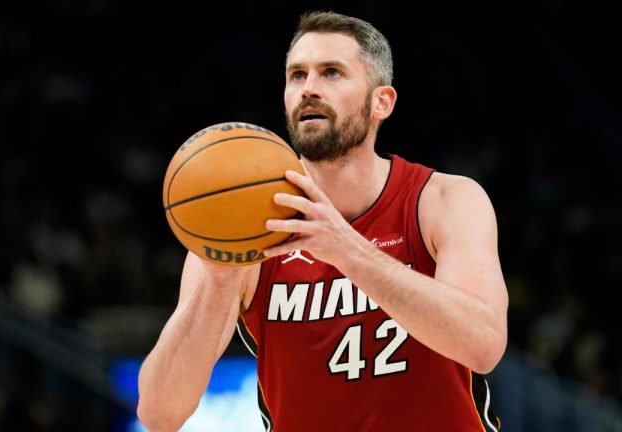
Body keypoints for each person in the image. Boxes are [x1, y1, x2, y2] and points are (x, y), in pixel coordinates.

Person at [138, 10, 508, 432]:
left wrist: (349, 251)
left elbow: (483, 346)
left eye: (331, 73)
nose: (309, 89)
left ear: (381, 102)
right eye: (297, 76)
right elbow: (158, 414)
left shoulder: (444, 200)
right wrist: (220, 284)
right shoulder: (244, 224)